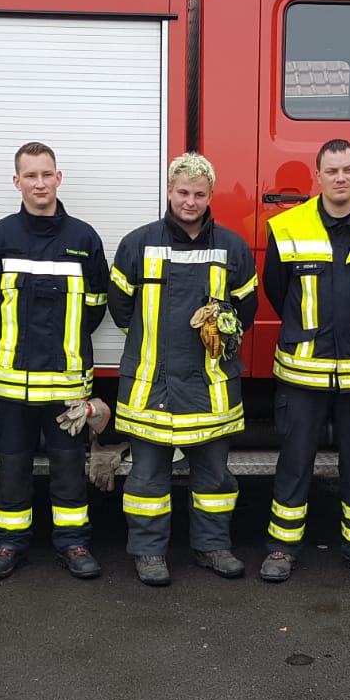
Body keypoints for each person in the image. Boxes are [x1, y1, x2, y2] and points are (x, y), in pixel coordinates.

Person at [259, 139, 350, 583]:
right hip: (302, 373)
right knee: (294, 459)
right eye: (332, 171)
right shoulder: (287, 227)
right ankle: (282, 548)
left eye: (348, 169)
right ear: (317, 176)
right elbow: (275, 290)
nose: (340, 178)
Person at [108, 153, 258, 586]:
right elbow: (121, 309)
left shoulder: (232, 247)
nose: (190, 202)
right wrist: (150, 339)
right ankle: (149, 553)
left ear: (210, 195)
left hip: (210, 385)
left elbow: (245, 308)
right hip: (151, 384)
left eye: (198, 194)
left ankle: (213, 547)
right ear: (169, 192)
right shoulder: (138, 243)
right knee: (147, 478)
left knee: (214, 475)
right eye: (182, 193)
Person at [0, 142, 110, 581]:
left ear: (58, 178)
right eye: (29, 175)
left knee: (69, 469)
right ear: (17, 181)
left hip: (66, 386)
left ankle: (73, 543)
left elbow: (95, 307)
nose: (39, 183)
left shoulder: (84, 239)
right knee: (11, 468)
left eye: (46, 174)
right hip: (10, 385)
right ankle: (8, 545)